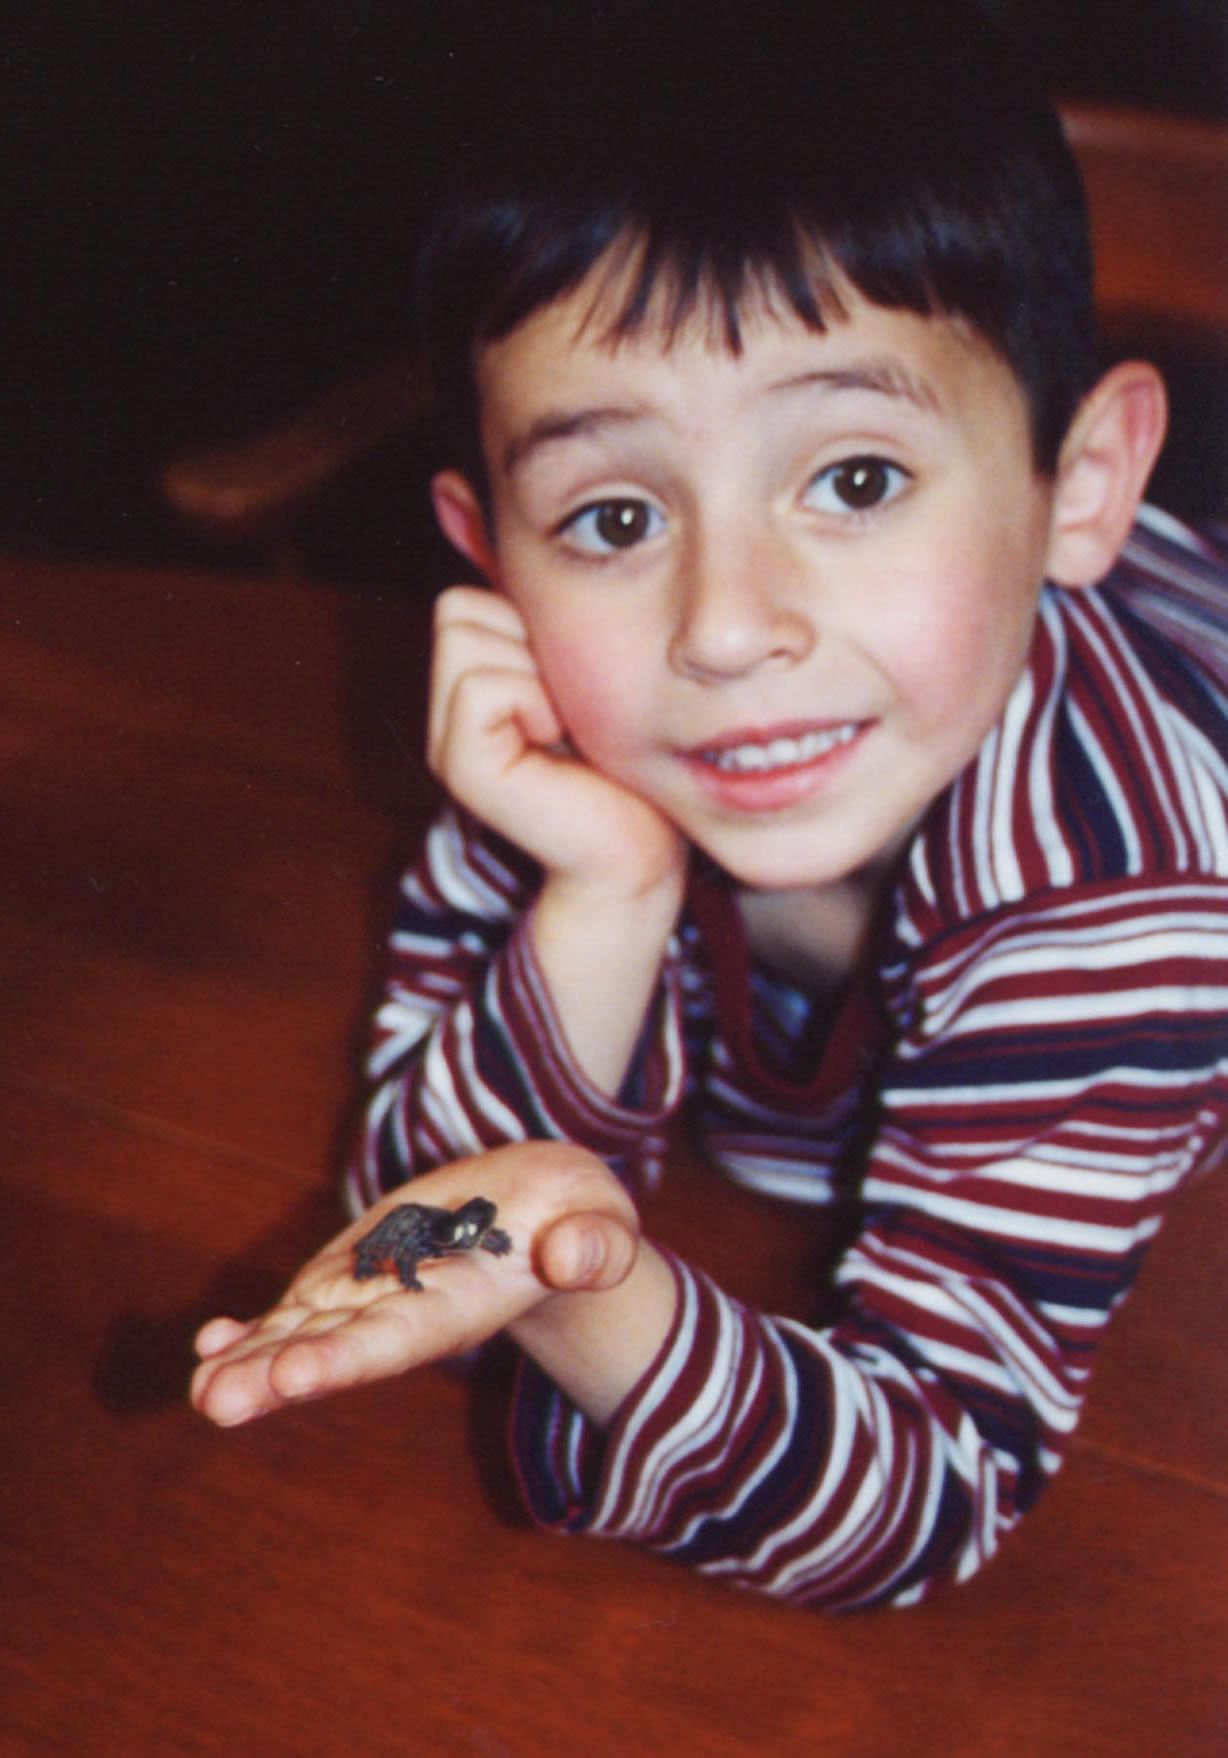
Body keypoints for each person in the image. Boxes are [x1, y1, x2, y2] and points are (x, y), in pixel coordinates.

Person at [191, 0, 1228, 1610]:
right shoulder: (574, 729)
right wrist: (601, 892)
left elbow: (934, 1480)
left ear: (1075, 486)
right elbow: (407, 1218)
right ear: (489, 550)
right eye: (609, 515)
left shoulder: (1116, 893)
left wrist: (580, 1291)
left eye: (857, 480)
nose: (725, 627)